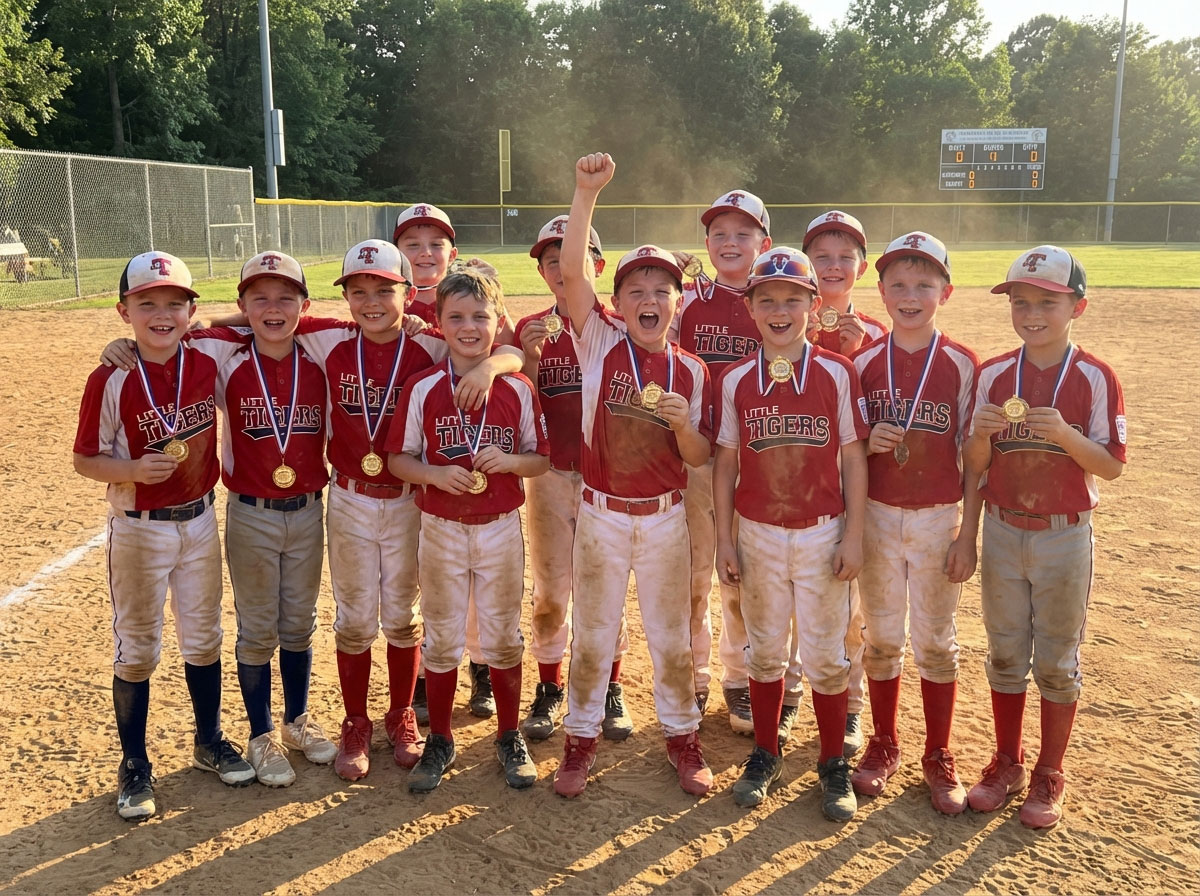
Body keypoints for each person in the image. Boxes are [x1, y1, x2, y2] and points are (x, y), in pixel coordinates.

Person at [553, 152, 714, 799]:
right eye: (636, 291)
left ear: (678, 301)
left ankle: (682, 736)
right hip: (601, 514)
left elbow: (700, 457)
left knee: (671, 636)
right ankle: (579, 740)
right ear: (616, 302)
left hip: (665, 518)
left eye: (661, 289)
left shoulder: (693, 371)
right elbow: (569, 273)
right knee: (592, 633)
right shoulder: (597, 342)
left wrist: (681, 427)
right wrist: (584, 194)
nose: (650, 299)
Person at [73, 251, 254, 820]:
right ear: (123, 310)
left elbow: (264, 318)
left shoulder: (206, 351)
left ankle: (208, 740)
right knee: (138, 648)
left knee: (204, 639)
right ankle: (134, 763)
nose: (161, 314)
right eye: (146, 303)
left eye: (175, 304)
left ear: (191, 311)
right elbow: (85, 459)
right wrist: (129, 470)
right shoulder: (111, 376)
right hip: (138, 527)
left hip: (199, 519)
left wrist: (206, 322)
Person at [963, 245, 1126, 829]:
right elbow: (975, 466)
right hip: (1004, 527)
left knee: (1056, 661)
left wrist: (1064, 435)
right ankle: (1007, 760)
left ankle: (1049, 771)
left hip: (1063, 535)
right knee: (1005, 654)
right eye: (1021, 301)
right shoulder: (992, 374)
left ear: (1076, 307)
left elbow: (1109, 465)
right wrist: (979, 437)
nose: (1032, 313)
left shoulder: (1094, 376)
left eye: (1048, 302)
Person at [713, 246, 870, 821]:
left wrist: (854, 535)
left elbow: (854, 459)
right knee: (765, 650)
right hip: (757, 531)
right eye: (767, 300)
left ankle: (832, 762)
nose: (780, 310)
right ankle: (766, 750)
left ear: (813, 304)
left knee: (827, 656)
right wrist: (724, 541)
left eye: (793, 300)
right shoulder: (733, 380)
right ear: (750, 308)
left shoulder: (836, 371)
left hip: (822, 531)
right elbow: (726, 465)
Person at [385, 268, 550, 792]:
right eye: (456, 317)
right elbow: (398, 459)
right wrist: (433, 474)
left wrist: (509, 459)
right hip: (441, 526)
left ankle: (507, 734)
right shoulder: (424, 388)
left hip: (500, 525)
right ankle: (442, 739)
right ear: (439, 322)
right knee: (441, 636)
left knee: (502, 636)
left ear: (498, 321)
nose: (470, 326)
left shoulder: (517, 388)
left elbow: (540, 460)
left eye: (481, 316)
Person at [192, 251, 338, 786]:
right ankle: (260, 735)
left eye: (285, 297)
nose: (272, 308)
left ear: (305, 303)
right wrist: (218, 321)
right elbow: (172, 332)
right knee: (257, 631)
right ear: (241, 305)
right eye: (259, 298)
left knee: (299, 622)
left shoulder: (321, 352)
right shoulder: (223, 354)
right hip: (251, 513)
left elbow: (365, 324)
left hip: (307, 511)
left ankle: (297, 720)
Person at [848, 232, 981, 814]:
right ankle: (883, 741)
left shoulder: (961, 363)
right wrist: (868, 443)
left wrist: (966, 532)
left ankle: (938, 751)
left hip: (935, 516)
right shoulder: (863, 363)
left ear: (945, 293)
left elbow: (974, 457)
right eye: (898, 285)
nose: (910, 295)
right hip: (877, 515)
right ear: (879, 291)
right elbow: (845, 451)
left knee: (935, 640)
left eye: (924, 284)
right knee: (881, 637)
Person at [670, 190, 803, 743]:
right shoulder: (687, 301)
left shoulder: (777, 301)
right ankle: (695, 675)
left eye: (743, 233)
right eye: (719, 233)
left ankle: (744, 674)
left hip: (764, 458)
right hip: (701, 458)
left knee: (754, 577)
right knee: (697, 574)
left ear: (763, 244)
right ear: (706, 243)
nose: (729, 242)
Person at [507, 215, 634, 743]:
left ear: (596, 265)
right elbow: (522, 406)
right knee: (551, 590)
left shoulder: (619, 328)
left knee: (605, 589)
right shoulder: (531, 328)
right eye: (550, 260)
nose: (562, 268)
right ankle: (550, 684)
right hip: (553, 475)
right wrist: (531, 359)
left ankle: (609, 684)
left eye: (573, 258)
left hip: (608, 482)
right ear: (540, 271)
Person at [392, 201, 505, 718]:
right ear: (397, 252)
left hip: (460, 463)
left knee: (475, 573)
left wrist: (489, 370)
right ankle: (421, 674)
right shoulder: (386, 301)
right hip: (403, 464)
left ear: (452, 252)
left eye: (435, 243)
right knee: (421, 580)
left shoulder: (467, 299)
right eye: (412, 243)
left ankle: (481, 669)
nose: (424, 252)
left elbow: (509, 351)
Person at [802, 210, 889, 756]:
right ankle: (786, 699)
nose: (833, 266)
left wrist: (850, 357)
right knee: (783, 603)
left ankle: (851, 707)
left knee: (852, 607)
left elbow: (869, 420)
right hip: (791, 487)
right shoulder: (781, 324)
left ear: (861, 266)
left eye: (844, 256)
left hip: (850, 489)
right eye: (821, 256)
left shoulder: (878, 337)